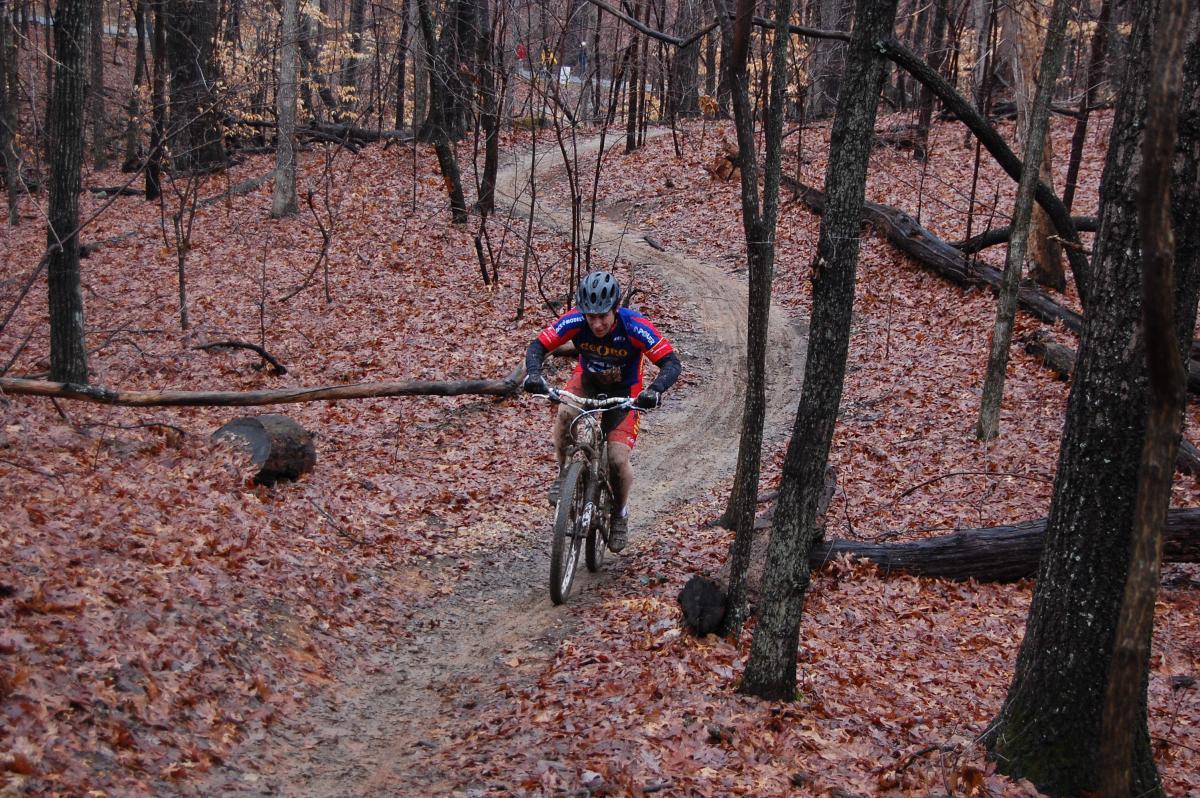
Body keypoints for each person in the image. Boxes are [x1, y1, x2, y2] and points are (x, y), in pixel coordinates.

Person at [522, 271, 682, 552]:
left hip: (626, 391)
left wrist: (654, 390)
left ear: (615, 309)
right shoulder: (575, 320)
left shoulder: (634, 326)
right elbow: (539, 345)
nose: (596, 323)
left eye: (603, 316)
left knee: (617, 460)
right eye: (590, 316)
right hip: (587, 381)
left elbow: (671, 362)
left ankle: (619, 514)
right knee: (564, 414)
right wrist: (534, 374)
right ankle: (564, 475)